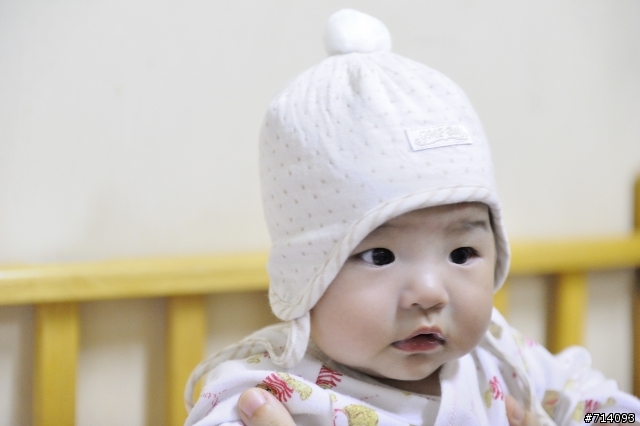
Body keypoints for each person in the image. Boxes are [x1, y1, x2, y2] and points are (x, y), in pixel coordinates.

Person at [185, 9, 640, 426]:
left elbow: (613, 414)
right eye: (380, 256)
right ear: (304, 276)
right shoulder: (269, 395)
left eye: (462, 253)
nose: (429, 293)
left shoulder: (502, 358)